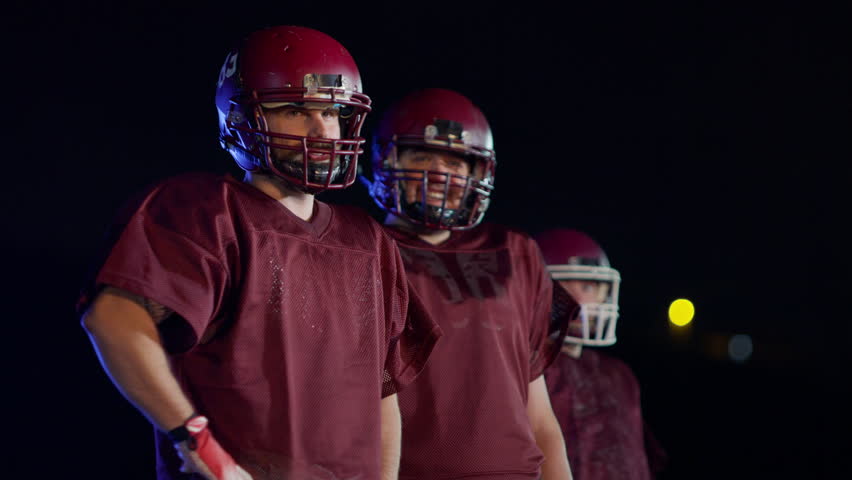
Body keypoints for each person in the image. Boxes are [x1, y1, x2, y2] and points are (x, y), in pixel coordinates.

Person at [78, 26, 441, 480]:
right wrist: (202, 448)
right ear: (240, 117)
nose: (321, 129)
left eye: (332, 111)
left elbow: (383, 392)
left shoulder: (369, 241)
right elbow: (113, 320)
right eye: (295, 109)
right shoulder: (207, 213)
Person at [363, 88, 574, 479]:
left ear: (479, 173)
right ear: (387, 160)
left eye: (456, 162)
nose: (441, 173)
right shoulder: (360, 248)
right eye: (423, 156)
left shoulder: (514, 253)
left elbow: (540, 416)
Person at [535, 229, 668, 480]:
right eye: (564, 286)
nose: (580, 300)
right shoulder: (524, 368)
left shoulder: (618, 375)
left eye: (589, 286)